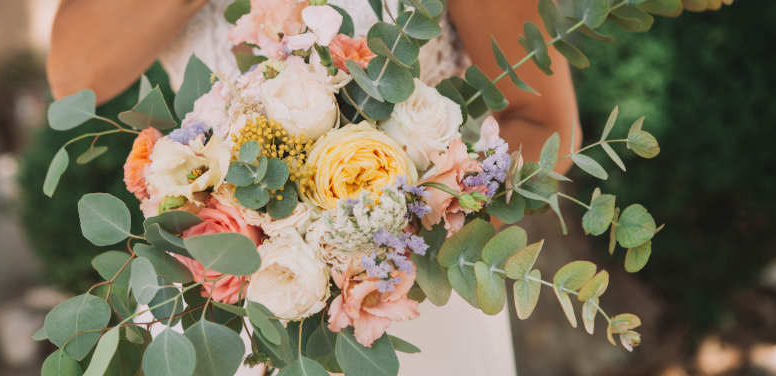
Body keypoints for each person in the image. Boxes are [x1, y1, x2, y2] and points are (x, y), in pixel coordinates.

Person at [46, 0, 581, 374]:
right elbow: (71, 75)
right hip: (215, 315)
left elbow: (544, 124)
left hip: (400, 297)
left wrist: (394, 234)